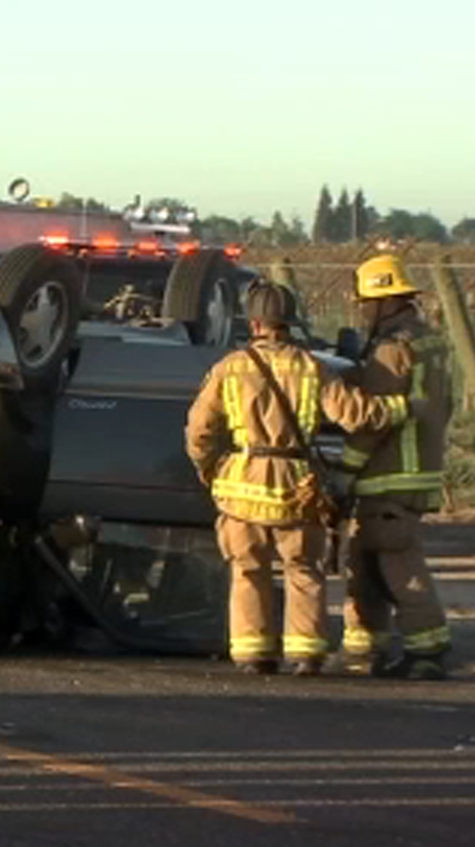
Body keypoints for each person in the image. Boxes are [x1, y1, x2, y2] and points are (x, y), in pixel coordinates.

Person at [186, 282, 413, 675]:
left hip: (242, 485)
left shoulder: (230, 367)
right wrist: (401, 408)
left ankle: (253, 655)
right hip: (298, 487)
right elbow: (356, 415)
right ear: (288, 322)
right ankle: (305, 654)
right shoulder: (312, 367)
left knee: (248, 570)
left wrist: (212, 470)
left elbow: (199, 431)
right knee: (304, 569)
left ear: (254, 322)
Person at [336, 254, 455, 680]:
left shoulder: (391, 349)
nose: (363, 311)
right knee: (366, 559)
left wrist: (345, 471)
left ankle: (427, 650)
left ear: (386, 301)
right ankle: (367, 648)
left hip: (388, 474)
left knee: (397, 563)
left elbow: (372, 420)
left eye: (367, 303)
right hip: (419, 467)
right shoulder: (430, 340)